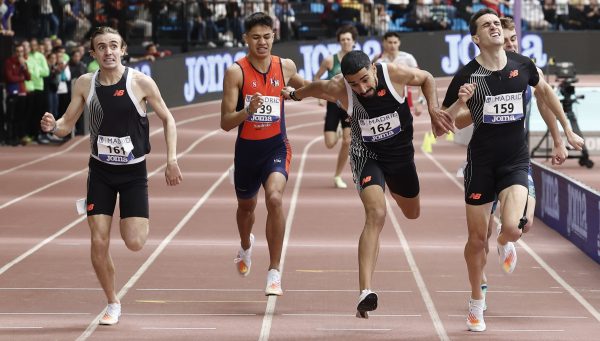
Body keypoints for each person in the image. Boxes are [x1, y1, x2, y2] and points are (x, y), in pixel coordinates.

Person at [281, 50, 453, 318]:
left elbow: (428, 78)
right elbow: (315, 88)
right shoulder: (340, 87)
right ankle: (365, 292)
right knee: (376, 213)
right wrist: (294, 94)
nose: (361, 88)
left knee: (412, 213)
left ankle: (395, 191)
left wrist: (433, 109)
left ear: (373, 69)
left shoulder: (393, 74)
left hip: (400, 157)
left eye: (364, 80)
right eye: (354, 84)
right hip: (366, 155)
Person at [441, 8, 582, 332]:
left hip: (515, 160)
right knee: (477, 240)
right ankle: (477, 301)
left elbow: (545, 93)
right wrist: (459, 104)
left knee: (515, 227)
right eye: (486, 25)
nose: (493, 27)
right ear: (476, 38)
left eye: (496, 23)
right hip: (481, 164)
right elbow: (440, 127)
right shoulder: (467, 76)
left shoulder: (523, 66)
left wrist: (566, 131)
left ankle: (507, 240)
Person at [39, 26, 183, 326]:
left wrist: (171, 159)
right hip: (100, 172)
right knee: (98, 240)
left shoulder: (140, 82)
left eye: (113, 45)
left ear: (124, 50)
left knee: (134, 242)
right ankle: (112, 301)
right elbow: (67, 124)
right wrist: (53, 126)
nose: (108, 51)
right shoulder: (84, 84)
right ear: (93, 53)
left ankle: (131, 218)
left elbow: (168, 119)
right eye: (101, 47)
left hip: (133, 173)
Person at [220, 12, 307, 297]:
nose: (262, 42)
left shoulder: (286, 66)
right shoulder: (236, 72)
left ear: (274, 37)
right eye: (255, 37)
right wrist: (247, 111)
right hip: (246, 151)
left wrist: (336, 94)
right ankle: (246, 245)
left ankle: (274, 271)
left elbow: (306, 88)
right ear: (245, 39)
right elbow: (225, 122)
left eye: (266, 37)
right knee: (246, 208)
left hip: (276, 146)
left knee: (274, 198)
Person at [313, 25, 358, 189]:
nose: (346, 42)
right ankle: (338, 131)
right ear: (339, 42)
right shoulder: (330, 60)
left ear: (353, 41)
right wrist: (319, 96)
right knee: (330, 143)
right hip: (333, 104)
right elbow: (317, 77)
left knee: (348, 141)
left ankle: (338, 175)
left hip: (350, 106)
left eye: (348, 39)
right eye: (343, 39)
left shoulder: (358, 59)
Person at [373, 32, 424, 116]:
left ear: (399, 43)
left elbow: (421, 79)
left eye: (395, 42)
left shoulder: (408, 58)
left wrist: (420, 102)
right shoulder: (378, 60)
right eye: (390, 42)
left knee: (406, 127)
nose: (392, 45)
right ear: (384, 43)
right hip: (385, 100)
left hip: (404, 99)